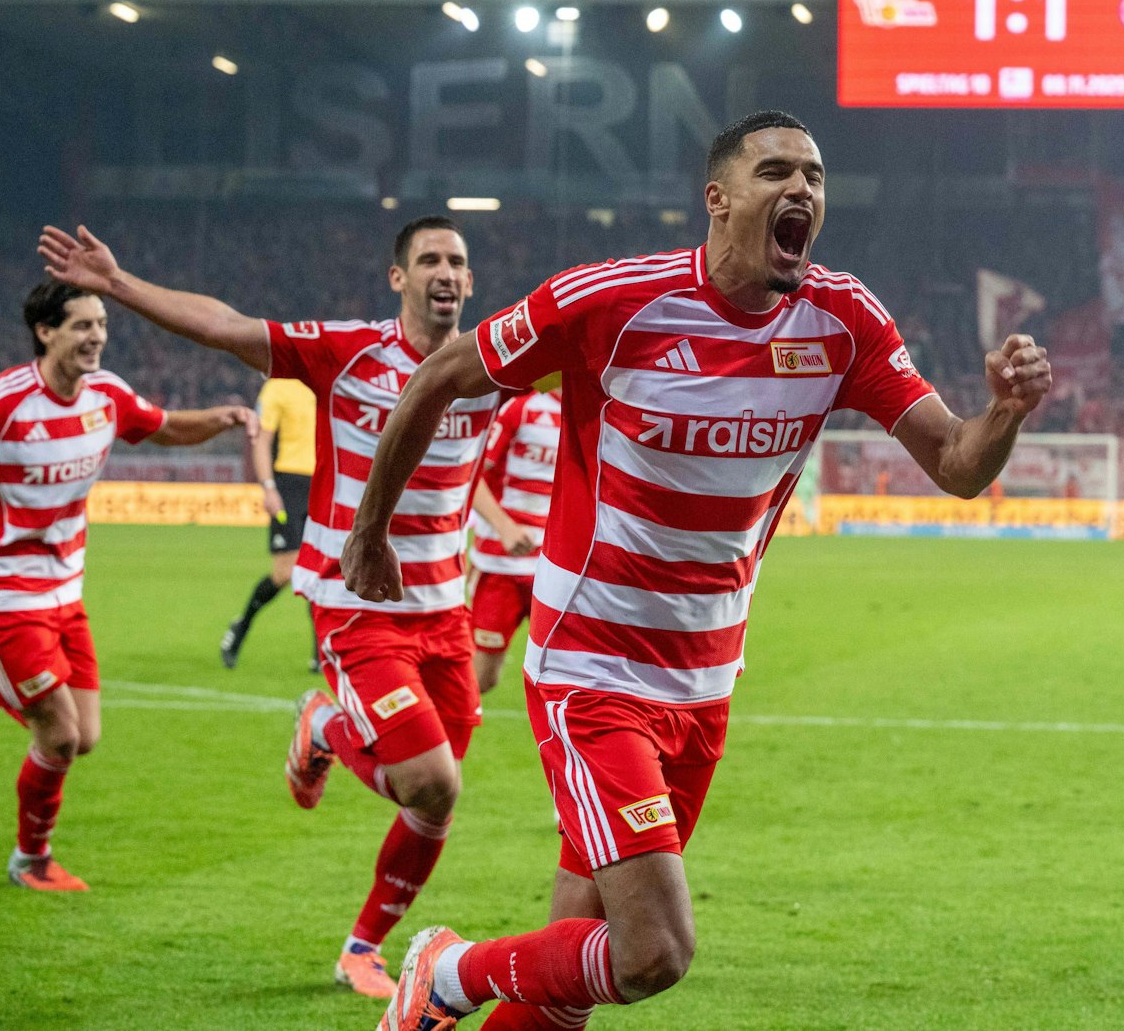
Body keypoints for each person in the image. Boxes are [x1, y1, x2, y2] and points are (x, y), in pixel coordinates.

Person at [343, 111, 1052, 1031]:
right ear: (717, 199)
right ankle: (448, 970)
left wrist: (1003, 412)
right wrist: (371, 530)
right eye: (775, 172)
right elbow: (441, 372)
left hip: (706, 684)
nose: (802, 190)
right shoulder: (610, 303)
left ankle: (471, 985)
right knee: (653, 951)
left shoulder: (842, 322)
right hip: (590, 673)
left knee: (573, 965)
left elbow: (957, 463)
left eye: (816, 176)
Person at [36, 216, 503, 1000]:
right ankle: (325, 721)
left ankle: (364, 946)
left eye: (458, 259)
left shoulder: (492, 365)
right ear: (400, 278)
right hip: (354, 604)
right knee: (433, 779)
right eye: (429, 258)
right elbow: (226, 326)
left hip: (443, 610)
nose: (445, 271)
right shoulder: (349, 353)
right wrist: (118, 285)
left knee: (432, 800)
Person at [0, 281, 256, 892]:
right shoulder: (2, 401)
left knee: (85, 736)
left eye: (101, 324)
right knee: (60, 734)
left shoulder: (108, 394)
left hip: (65, 593)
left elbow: (165, 427)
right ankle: (30, 861)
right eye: (81, 325)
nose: (97, 336)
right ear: (46, 332)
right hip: (4, 595)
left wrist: (222, 418)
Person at [465, 386, 561, 694]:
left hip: (554, 569)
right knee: (481, 678)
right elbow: (471, 474)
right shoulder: (520, 407)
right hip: (499, 565)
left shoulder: (591, 411)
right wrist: (505, 527)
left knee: (568, 673)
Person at [221, 372, 318, 670]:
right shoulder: (278, 387)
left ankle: (321, 653)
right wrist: (268, 486)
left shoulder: (322, 382)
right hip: (288, 485)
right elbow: (261, 441)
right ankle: (240, 627)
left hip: (323, 483)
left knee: (322, 570)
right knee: (284, 572)